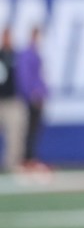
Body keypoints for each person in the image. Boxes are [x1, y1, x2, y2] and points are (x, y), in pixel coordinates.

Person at [15, 26, 48, 170]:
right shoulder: (27, 54)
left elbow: (39, 77)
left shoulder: (35, 53)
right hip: (31, 99)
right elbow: (25, 77)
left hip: (37, 97)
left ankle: (30, 158)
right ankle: (26, 159)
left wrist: (43, 93)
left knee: (34, 130)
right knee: (29, 130)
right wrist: (32, 94)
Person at [0, 28, 28, 173]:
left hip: (12, 102)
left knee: (15, 136)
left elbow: (24, 78)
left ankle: (12, 165)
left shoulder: (17, 56)